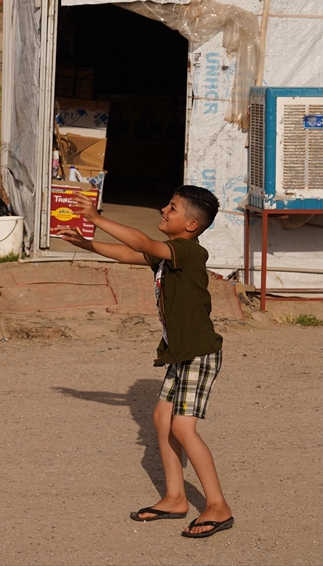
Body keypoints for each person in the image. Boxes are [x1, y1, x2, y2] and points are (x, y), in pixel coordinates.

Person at [57, 185, 234, 539]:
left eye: (172, 208)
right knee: (160, 418)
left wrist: (97, 219)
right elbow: (127, 254)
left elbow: (140, 243)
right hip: (180, 352)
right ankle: (174, 497)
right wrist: (85, 243)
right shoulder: (170, 254)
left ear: (191, 226)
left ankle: (218, 505)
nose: (164, 210)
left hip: (198, 352)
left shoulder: (188, 252)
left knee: (184, 428)